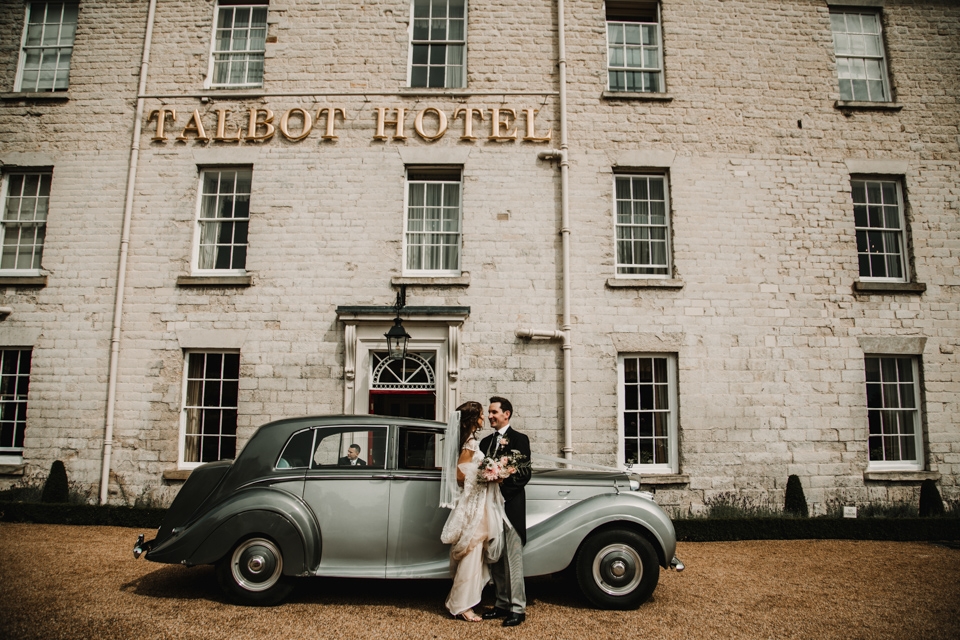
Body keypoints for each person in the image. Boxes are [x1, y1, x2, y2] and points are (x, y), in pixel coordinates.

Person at [440, 401, 510, 622]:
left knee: (475, 550)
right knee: (472, 551)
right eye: (481, 414)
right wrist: (487, 474)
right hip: (474, 502)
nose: (484, 418)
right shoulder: (469, 443)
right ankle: (462, 605)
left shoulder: (470, 440)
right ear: (473, 419)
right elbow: (460, 476)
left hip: (478, 500)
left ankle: (463, 600)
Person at [479, 396, 531, 627]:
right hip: (489, 508)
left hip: (509, 506)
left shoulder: (520, 439)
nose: (490, 416)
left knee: (513, 560)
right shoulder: (485, 443)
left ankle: (517, 609)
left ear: (506, 414)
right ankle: (501, 604)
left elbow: (523, 474)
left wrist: (501, 488)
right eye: (489, 413)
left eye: (494, 412)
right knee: (496, 558)